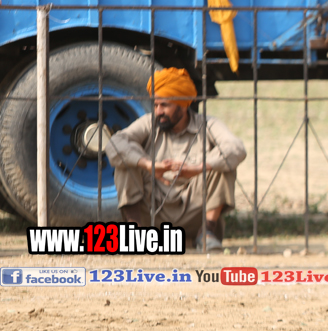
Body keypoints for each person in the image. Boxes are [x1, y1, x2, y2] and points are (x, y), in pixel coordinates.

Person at [105, 67, 246, 251]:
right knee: (126, 162)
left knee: (222, 164)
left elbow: (236, 148)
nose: (158, 111)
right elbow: (114, 144)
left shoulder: (208, 124)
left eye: (165, 105)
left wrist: (198, 168)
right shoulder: (149, 123)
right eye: (155, 105)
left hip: (194, 210)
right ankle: (136, 235)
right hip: (153, 210)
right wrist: (148, 165)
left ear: (184, 105)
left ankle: (207, 233)